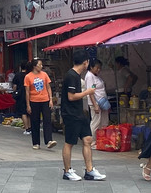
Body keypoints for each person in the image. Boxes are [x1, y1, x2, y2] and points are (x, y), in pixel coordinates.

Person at [61, 52, 105, 181]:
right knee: (69, 142)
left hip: (81, 113)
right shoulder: (71, 76)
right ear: (85, 62)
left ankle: (89, 170)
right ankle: (67, 171)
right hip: (71, 114)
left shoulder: (78, 76)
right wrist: (87, 92)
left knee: (87, 139)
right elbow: (71, 96)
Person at [24, 59, 56, 150]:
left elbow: (48, 87)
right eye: (40, 65)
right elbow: (27, 92)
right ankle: (36, 142)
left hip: (45, 100)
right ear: (35, 66)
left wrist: (50, 99)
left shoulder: (44, 75)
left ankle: (49, 140)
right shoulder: (28, 77)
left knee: (47, 120)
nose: (41, 66)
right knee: (35, 121)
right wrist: (28, 105)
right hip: (34, 101)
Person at [85, 58, 110, 136]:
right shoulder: (89, 76)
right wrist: (95, 105)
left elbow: (94, 87)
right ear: (91, 67)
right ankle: (92, 141)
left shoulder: (95, 76)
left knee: (103, 122)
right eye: (97, 68)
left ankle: (101, 140)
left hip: (102, 102)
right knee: (96, 122)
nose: (99, 70)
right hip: (96, 103)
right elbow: (91, 92)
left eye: (100, 68)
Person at [13, 61, 31, 133]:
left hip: (21, 95)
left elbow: (15, 86)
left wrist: (14, 92)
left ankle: (26, 128)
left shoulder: (18, 75)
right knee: (29, 111)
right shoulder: (29, 75)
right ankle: (30, 127)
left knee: (23, 112)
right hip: (30, 94)